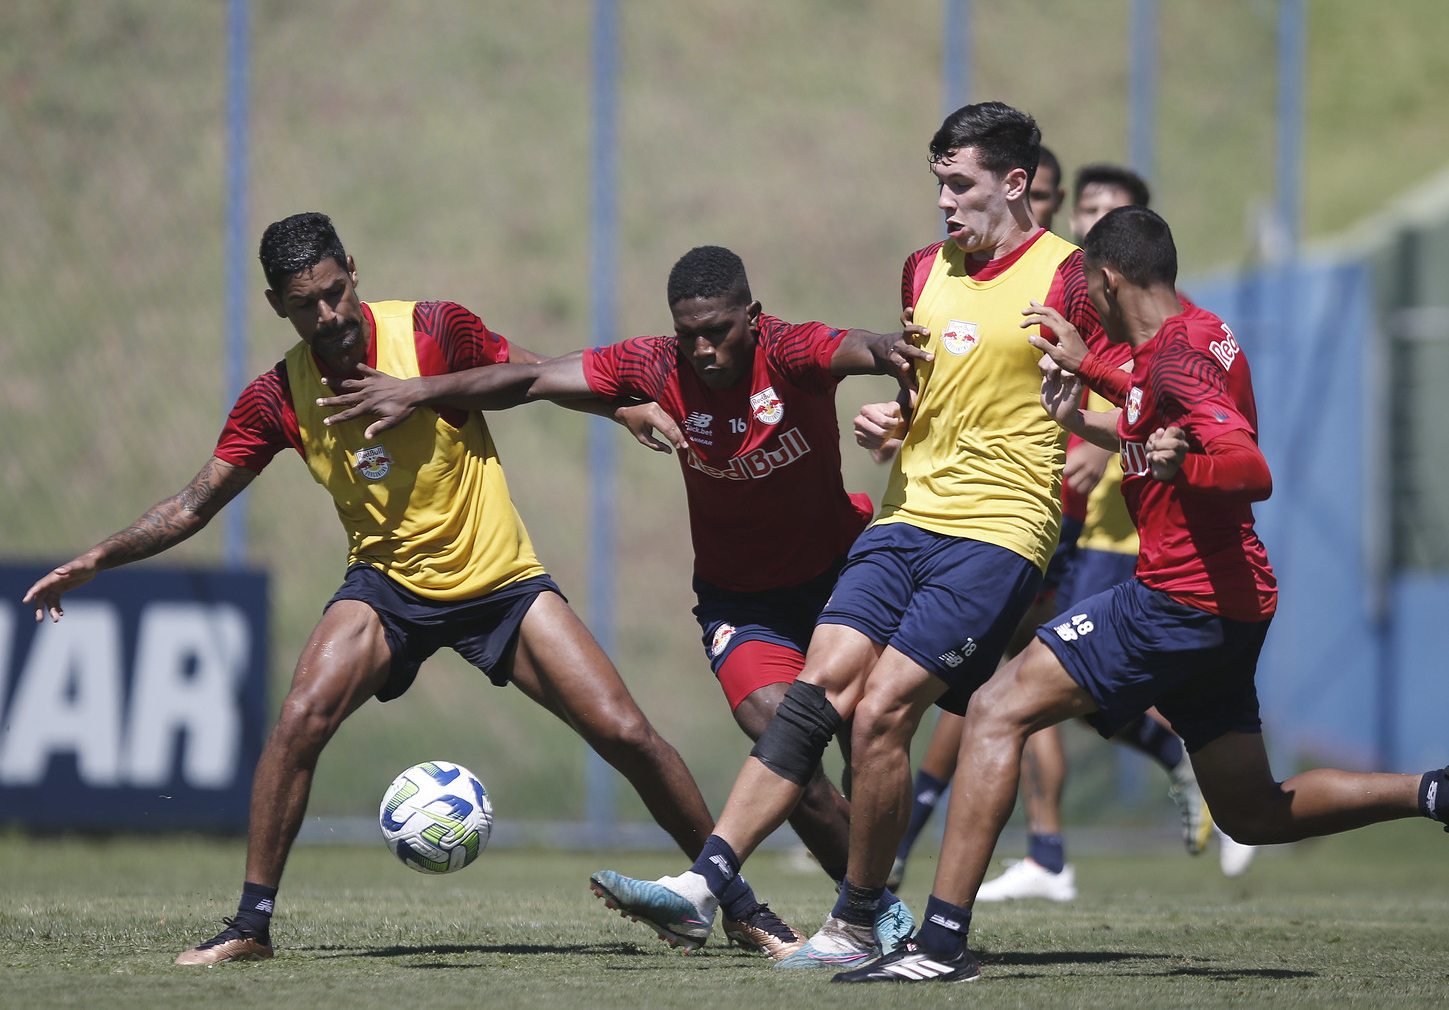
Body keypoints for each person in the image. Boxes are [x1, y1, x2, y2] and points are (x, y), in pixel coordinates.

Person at [22, 213, 800, 965]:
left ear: (353, 271)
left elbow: (524, 372)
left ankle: (737, 908)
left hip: (500, 583)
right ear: (277, 307)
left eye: (335, 291)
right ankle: (250, 924)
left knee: (627, 732)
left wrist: (622, 402)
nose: (328, 314)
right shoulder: (282, 395)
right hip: (387, 589)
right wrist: (100, 556)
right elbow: (193, 503)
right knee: (299, 717)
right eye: (304, 304)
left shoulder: (431, 330)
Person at [835, 205, 1449, 984]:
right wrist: (1085, 379)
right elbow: (1147, 392)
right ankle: (1446, 790)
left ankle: (938, 943)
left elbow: (1249, 466)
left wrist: (1179, 469)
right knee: (1250, 811)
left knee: (996, 707)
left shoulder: (1177, 359)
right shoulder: (1198, 334)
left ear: (1109, 279)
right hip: (1232, 602)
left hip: (1177, 598)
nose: (1085, 303)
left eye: (1089, 290)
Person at [588, 102, 1117, 970]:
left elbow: (1134, 386)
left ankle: (858, 915)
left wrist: (1094, 429)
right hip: (906, 514)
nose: (943, 201)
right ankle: (705, 884)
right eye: (937, 183)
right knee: (817, 689)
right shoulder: (922, 269)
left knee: (881, 714)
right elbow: (932, 398)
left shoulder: (1069, 278)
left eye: (961, 184)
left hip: (999, 531)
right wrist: (896, 425)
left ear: (1015, 185)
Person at [315, 243, 924, 958]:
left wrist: (887, 349)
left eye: (719, 329)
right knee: (782, 737)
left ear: (751, 319)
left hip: (837, 575)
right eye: (688, 331)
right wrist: (418, 390)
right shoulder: (656, 365)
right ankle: (876, 911)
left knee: (866, 742)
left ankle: (875, 895)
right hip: (740, 602)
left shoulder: (787, 351)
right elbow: (536, 377)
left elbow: (852, 346)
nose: (703, 348)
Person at [889, 160, 1225, 903]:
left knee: (1001, 685)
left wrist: (1098, 451)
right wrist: (910, 427)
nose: (1082, 221)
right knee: (997, 682)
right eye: (1080, 208)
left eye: (1106, 211)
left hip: (1112, 536)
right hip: (1039, 517)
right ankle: (1040, 848)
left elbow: (1179, 411)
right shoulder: (1048, 290)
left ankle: (1169, 756)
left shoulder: (1165, 323)